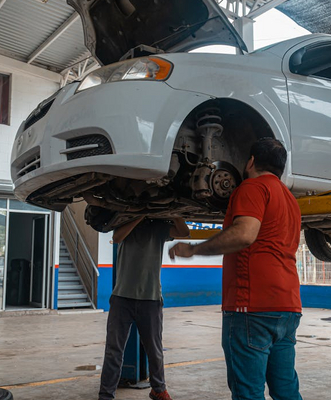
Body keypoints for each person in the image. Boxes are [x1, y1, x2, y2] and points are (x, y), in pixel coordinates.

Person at [169, 138, 303, 400]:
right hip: (287, 307)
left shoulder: (252, 187)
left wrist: (193, 250)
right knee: (286, 390)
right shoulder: (290, 200)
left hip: (251, 307)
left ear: (251, 161)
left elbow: (244, 234)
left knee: (248, 393)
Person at [99, 216, 190, 400]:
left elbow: (184, 232)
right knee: (114, 350)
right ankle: (106, 395)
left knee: (155, 350)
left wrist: (175, 214)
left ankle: (158, 389)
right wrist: (139, 215)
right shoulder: (125, 223)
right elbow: (116, 238)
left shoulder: (159, 227)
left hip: (151, 298)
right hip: (122, 298)